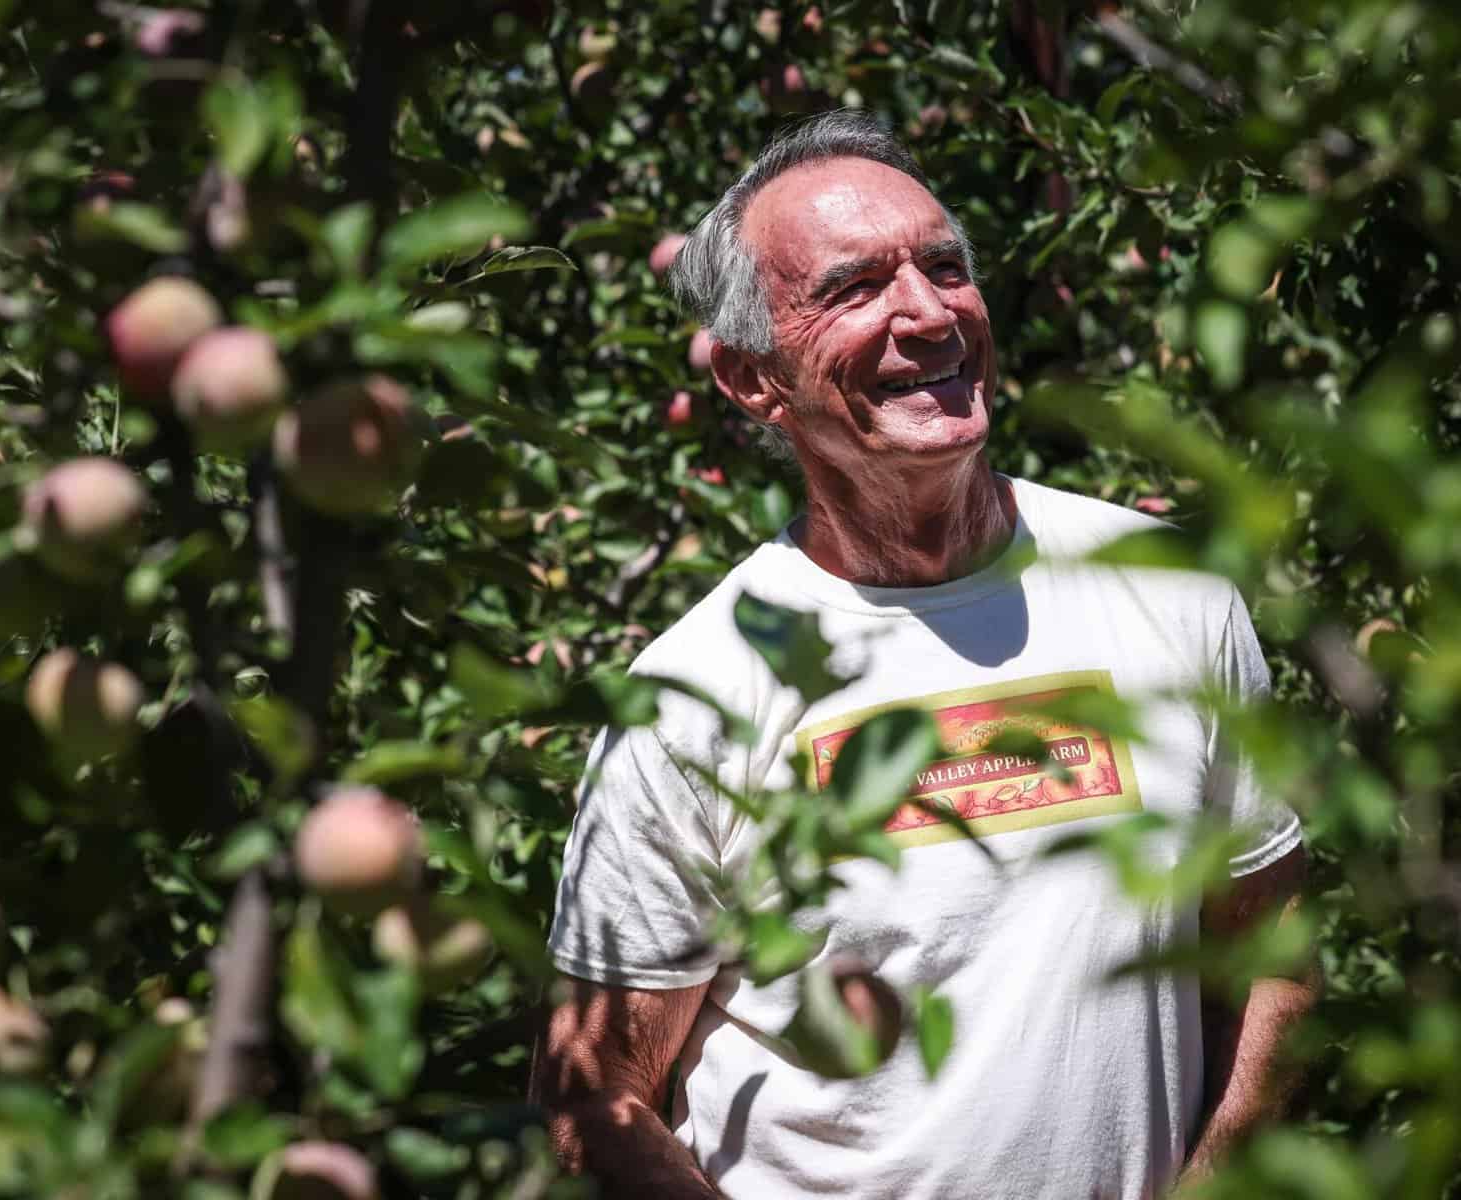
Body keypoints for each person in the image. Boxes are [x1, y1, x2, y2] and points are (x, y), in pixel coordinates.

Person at [530, 109, 1314, 1200]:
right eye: (854, 288)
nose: (927, 313)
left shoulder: (1164, 589)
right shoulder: (696, 694)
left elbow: (1272, 939)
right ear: (755, 383)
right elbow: (590, 1095)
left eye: (945, 267)